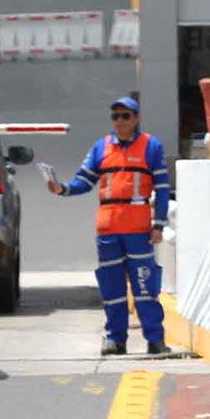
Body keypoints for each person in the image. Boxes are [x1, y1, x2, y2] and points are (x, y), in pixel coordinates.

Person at [52, 95, 170, 356]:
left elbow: (162, 189)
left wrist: (159, 224)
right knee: (112, 288)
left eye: (125, 116)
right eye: (115, 116)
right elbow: (84, 181)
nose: (120, 121)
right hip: (108, 230)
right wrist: (63, 189)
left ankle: (155, 339)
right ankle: (115, 340)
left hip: (139, 231)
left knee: (144, 287)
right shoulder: (100, 148)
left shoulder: (151, 146)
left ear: (136, 118)